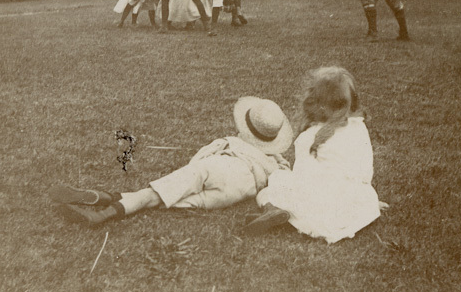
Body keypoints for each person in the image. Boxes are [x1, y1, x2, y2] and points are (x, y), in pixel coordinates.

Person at [54, 97, 294, 226]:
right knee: (164, 201)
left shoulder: (232, 143)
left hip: (219, 168)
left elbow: (199, 161)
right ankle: (104, 199)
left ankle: (100, 214)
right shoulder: (275, 164)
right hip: (237, 191)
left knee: (154, 194)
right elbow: (282, 175)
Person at [244, 66, 387, 243]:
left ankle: (271, 208)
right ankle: (363, 208)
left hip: (320, 206)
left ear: (315, 104)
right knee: (359, 197)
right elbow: (365, 172)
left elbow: (303, 176)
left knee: (276, 181)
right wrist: (368, 199)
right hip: (351, 204)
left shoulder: (310, 137)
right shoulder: (359, 128)